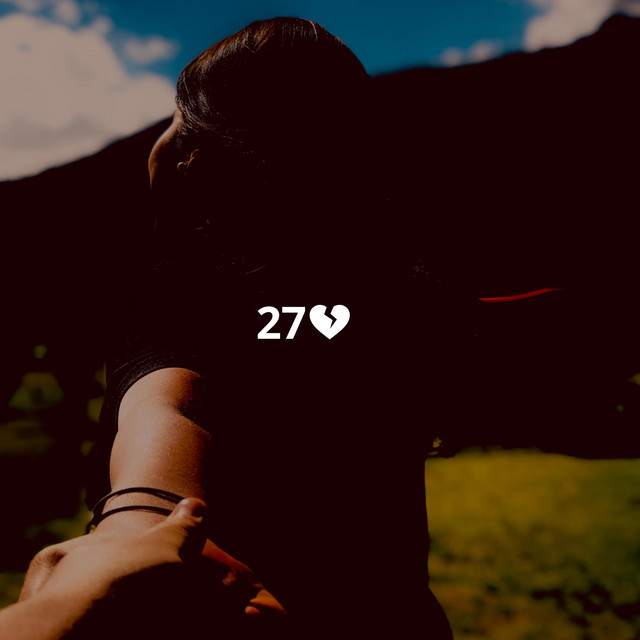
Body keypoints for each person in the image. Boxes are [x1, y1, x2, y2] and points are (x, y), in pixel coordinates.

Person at [32, 17, 470, 639]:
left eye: (176, 116)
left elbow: (174, 404)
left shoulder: (182, 294)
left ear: (193, 155)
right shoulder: (392, 307)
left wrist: (132, 530)